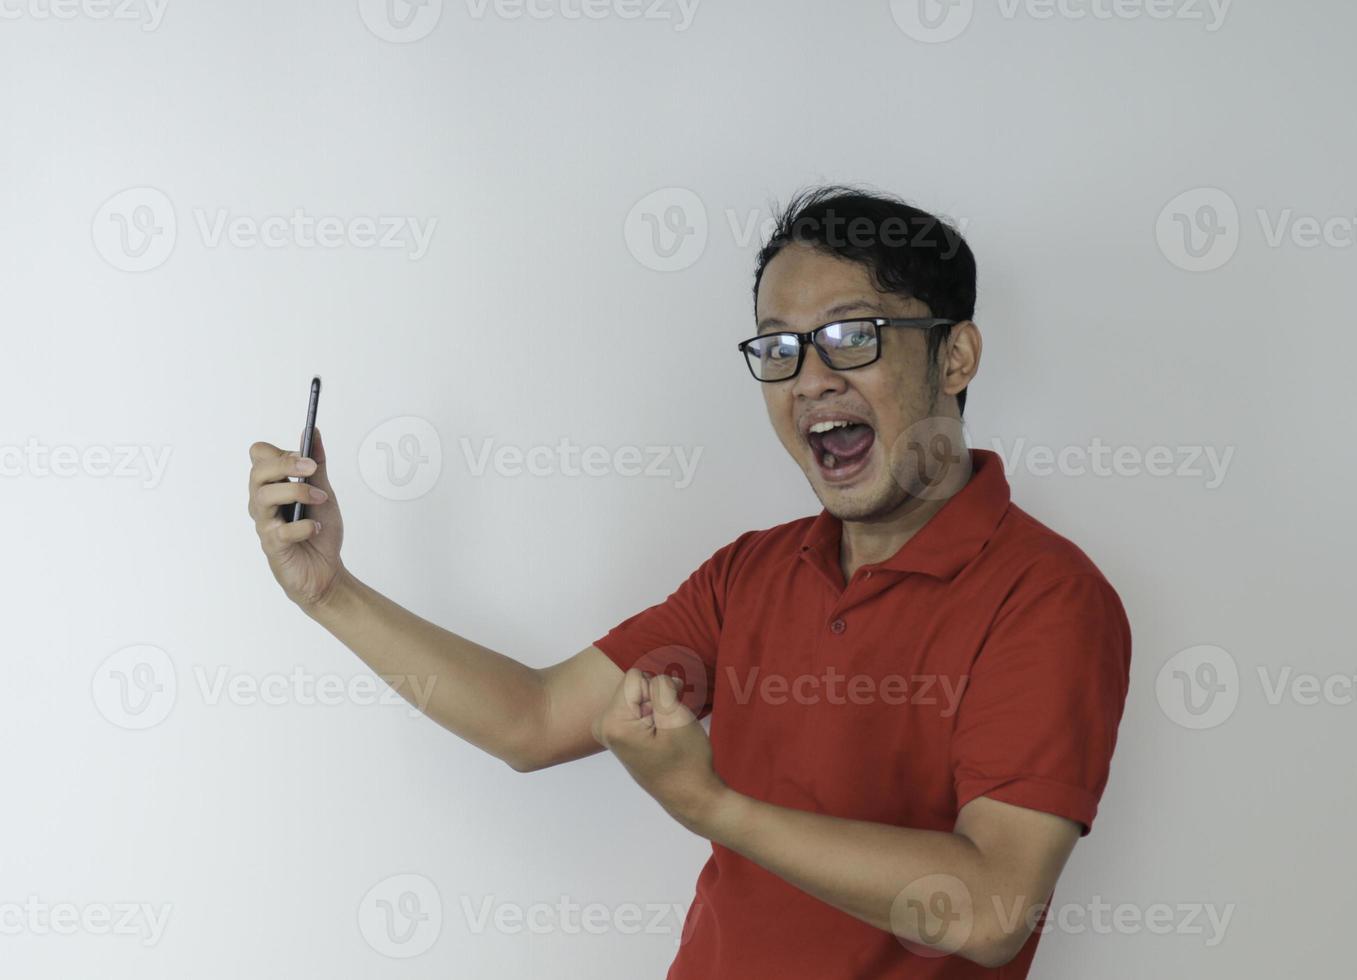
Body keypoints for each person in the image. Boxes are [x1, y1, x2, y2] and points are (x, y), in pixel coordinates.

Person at [246, 186, 1131, 977]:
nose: (810, 378)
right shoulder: (751, 573)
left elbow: (989, 909)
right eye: (780, 347)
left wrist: (709, 803)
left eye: (852, 336)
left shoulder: (1049, 597)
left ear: (955, 356)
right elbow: (535, 717)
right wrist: (333, 593)